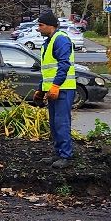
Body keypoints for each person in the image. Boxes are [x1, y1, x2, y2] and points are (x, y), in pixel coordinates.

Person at [36, 11, 76, 169]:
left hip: (63, 89)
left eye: (41, 25)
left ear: (51, 26)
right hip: (54, 89)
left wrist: (56, 86)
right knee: (54, 123)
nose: (38, 28)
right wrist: (41, 89)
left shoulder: (60, 40)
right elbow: (47, 71)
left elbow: (64, 65)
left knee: (61, 122)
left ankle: (65, 155)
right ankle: (58, 153)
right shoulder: (48, 42)